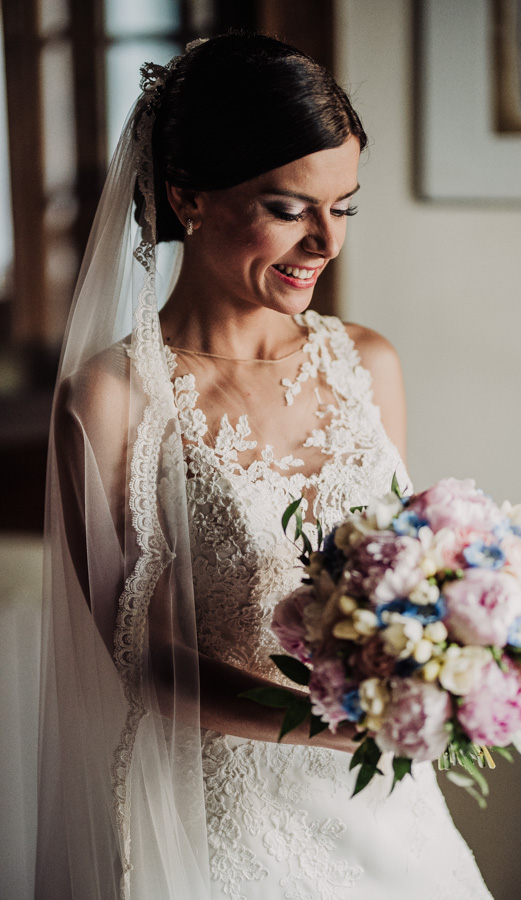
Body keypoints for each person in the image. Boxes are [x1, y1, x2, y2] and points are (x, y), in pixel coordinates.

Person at [36, 32, 493, 900]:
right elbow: (142, 658)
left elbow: (401, 574)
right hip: (227, 826)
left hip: (390, 811)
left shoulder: (369, 364)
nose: (324, 240)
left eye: (345, 207)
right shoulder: (110, 399)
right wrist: (327, 722)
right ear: (188, 198)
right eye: (289, 208)